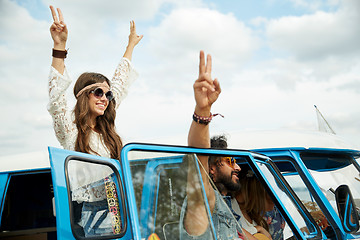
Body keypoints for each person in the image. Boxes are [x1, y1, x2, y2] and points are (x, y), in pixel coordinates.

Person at [47, 6, 142, 236]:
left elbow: (119, 82)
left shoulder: (106, 130)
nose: (105, 98)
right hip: (91, 214)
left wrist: (130, 46)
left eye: (107, 95)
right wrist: (59, 47)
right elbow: (56, 98)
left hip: (122, 208)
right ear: (83, 95)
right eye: (98, 92)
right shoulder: (70, 130)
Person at [180, 51, 261, 240]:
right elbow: (199, 154)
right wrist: (203, 111)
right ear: (211, 169)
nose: (238, 167)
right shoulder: (204, 202)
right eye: (230, 160)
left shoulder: (223, 207)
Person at [232, 165, 274, 240]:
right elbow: (232, 230)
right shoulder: (232, 205)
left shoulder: (252, 214)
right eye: (261, 193)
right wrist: (258, 229)